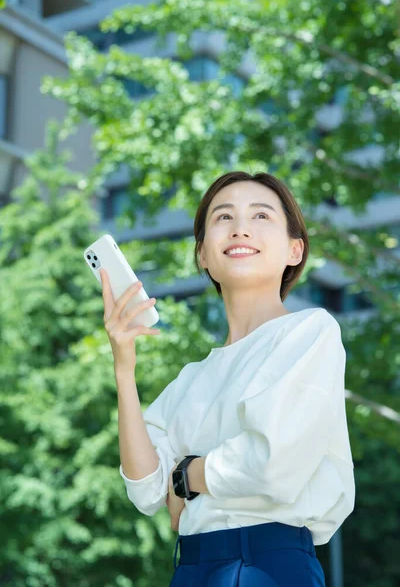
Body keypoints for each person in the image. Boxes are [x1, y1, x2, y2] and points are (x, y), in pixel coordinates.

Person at [101, 171, 356, 586]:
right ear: (203, 254)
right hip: (191, 566)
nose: (240, 228)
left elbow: (272, 464)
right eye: (223, 217)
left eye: (261, 216)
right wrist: (123, 367)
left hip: (269, 564)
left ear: (295, 250)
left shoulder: (310, 332)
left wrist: (185, 475)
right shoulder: (190, 378)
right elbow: (147, 489)